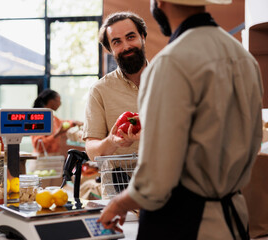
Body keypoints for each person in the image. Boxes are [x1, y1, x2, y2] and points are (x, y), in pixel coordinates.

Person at [98, 0, 263, 239]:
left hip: (186, 222)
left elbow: (157, 175)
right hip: (233, 219)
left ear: (159, 3)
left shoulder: (170, 63)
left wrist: (118, 203)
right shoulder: (242, 57)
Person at [83, 11, 148, 161]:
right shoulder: (100, 90)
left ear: (143, 37)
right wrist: (112, 141)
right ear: (110, 49)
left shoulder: (169, 81)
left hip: (168, 180)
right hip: (120, 182)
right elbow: (92, 151)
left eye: (131, 37)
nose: (126, 46)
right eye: (117, 42)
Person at [31, 89, 82, 155]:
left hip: (53, 159)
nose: (60, 104)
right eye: (58, 101)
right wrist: (57, 134)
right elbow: (39, 145)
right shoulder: (38, 118)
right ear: (51, 101)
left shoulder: (53, 118)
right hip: (42, 161)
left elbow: (62, 123)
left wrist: (74, 122)